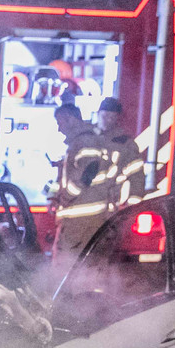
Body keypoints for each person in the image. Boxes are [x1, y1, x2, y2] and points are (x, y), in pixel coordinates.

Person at [50, 103, 116, 264]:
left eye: (60, 123)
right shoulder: (81, 141)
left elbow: (88, 172)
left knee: (68, 264)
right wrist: (54, 197)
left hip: (81, 219)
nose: (59, 129)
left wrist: (66, 197)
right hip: (81, 218)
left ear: (71, 119)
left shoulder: (85, 141)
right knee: (77, 265)